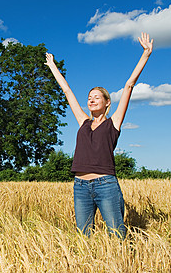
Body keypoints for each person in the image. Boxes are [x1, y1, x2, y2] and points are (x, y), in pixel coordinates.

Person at [44, 33, 153, 238]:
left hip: (106, 185)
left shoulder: (114, 123)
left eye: (96, 97)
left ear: (107, 102)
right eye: (89, 97)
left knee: (116, 236)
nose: (91, 100)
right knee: (84, 237)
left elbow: (129, 85)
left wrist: (146, 54)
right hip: (80, 187)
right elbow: (67, 91)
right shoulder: (83, 122)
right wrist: (52, 67)